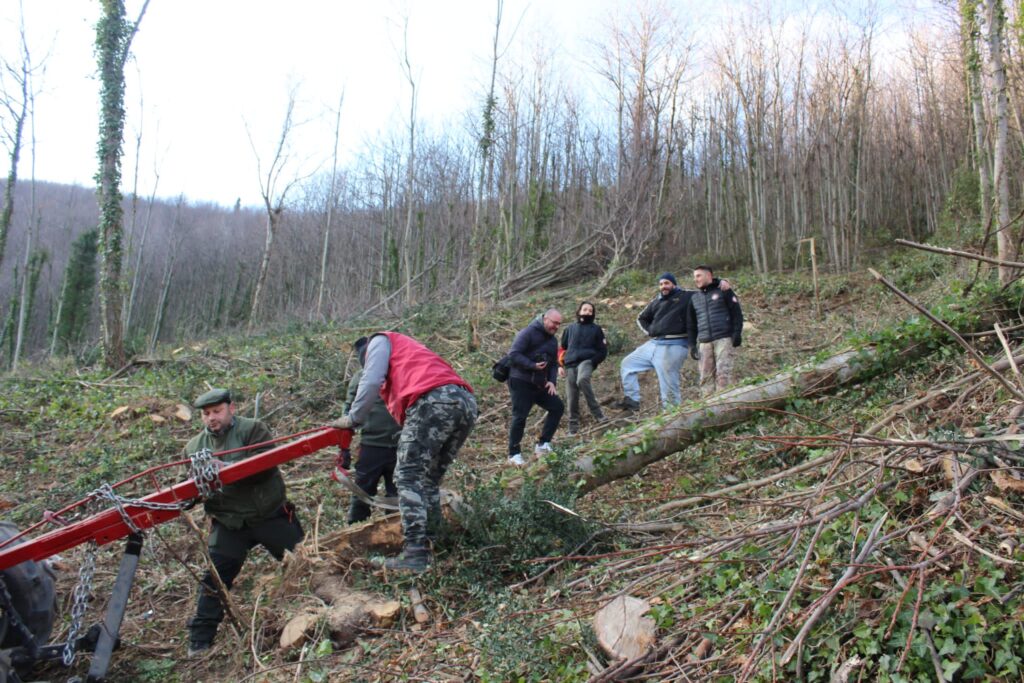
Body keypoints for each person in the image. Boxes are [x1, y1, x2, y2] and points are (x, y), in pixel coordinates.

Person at [329, 333, 477, 572]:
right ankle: (433, 542)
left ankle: (415, 553)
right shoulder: (410, 353)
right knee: (428, 479)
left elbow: (371, 380)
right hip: (465, 402)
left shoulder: (380, 341)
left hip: (434, 401)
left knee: (407, 477)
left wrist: (353, 418)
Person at [184, 388, 303, 656]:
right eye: (206, 414)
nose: (211, 418)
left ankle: (322, 609)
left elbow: (264, 469)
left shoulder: (253, 430)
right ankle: (200, 639)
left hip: (269, 515)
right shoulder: (193, 447)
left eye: (217, 411)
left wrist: (223, 468)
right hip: (229, 523)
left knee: (303, 562)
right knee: (214, 579)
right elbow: (193, 487)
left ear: (231, 409)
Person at [342, 364, 400, 524]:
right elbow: (348, 409)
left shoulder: (402, 372)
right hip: (372, 445)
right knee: (362, 492)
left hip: (401, 446)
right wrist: (343, 448)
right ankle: (355, 532)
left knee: (398, 495)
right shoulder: (362, 376)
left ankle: (396, 533)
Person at [506, 309, 564, 466]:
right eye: (554, 323)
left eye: (559, 324)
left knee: (557, 407)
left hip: (540, 383)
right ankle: (514, 454)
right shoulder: (528, 333)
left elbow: (553, 364)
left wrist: (552, 381)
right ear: (545, 319)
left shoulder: (552, 341)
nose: (556, 326)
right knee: (520, 416)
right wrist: (532, 365)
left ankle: (543, 444)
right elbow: (514, 354)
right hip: (520, 381)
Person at [688, 265, 744, 396]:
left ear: (709, 276)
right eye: (694, 277)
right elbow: (691, 324)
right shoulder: (694, 298)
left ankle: (725, 408)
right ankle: (708, 410)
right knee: (705, 379)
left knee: (723, 376)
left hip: (723, 339)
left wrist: (737, 333)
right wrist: (692, 345)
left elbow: (737, 314)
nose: (695, 279)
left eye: (698, 276)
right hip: (704, 343)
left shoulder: (724, 291)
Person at [558, 301, 608, 435]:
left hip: (587, 361)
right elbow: (562, 349)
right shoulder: (569, 329)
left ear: (593, 314)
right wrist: (560, 365)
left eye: (590, 311)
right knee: (572, 396)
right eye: (585, 310)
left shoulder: (596, 329)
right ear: (579, 311)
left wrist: (593, 361)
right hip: (569, 364)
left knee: (582, 379)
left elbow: (603, 351)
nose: (587, 312)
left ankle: (598, 414)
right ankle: (573, 428)